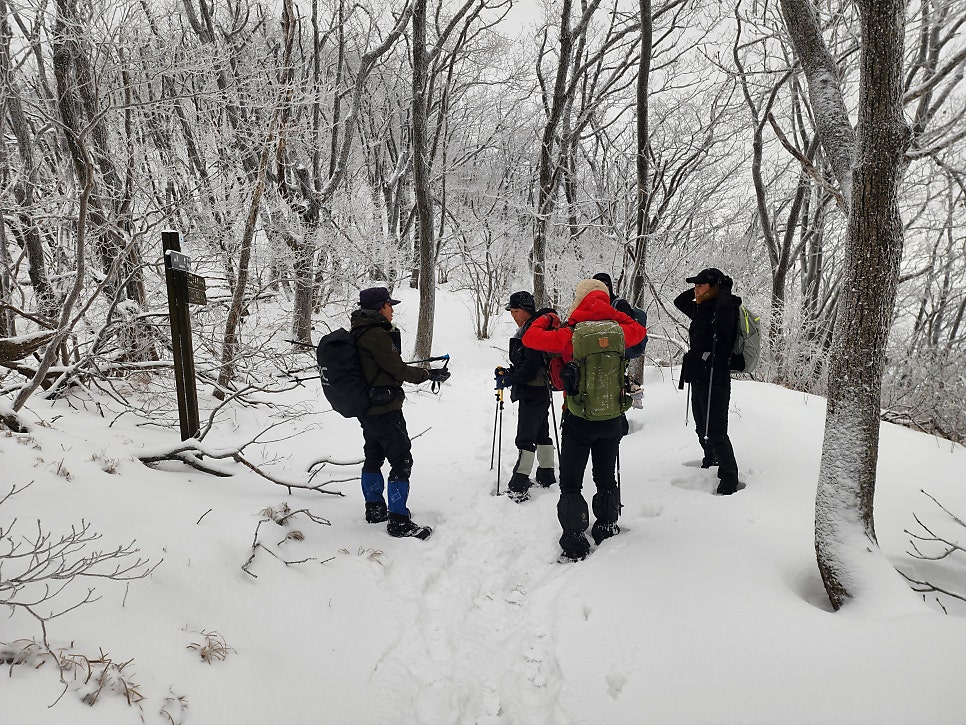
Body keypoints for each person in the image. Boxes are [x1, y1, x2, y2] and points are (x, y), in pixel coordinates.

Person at [523, 279, 646, 561]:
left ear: (579, 300)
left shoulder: (570, 333)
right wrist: (615, 314)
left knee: (571, 483)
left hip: (578, 418)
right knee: (605, 477)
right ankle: (606, 524)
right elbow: (639, 330)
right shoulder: (620, 332)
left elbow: (531, 338)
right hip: (612, 418)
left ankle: (575, 539)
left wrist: (547, 318)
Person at [351, 286, 450, 539]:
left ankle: (374, 509)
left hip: (368, 408)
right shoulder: (375, 334)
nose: (392, 310)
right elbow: (398, 369)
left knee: (373, 455)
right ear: (379, 308)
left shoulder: (359, 331)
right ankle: (398, 521)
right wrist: (428, 374)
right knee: (401, 460)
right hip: (385, 408)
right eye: (389, 305)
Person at [673, 268, 741, 495]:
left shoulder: (725, 308)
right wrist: (699, 288)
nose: (695, 290)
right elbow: (679, 300)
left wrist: (723, 288)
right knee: (701, 426)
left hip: (716, 376)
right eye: (695, 285)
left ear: (714, 288)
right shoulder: (701, 309)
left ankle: (729, 477)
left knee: (715, 430)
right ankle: (710, 460)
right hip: (699, 375)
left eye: (700, 285)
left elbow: (723, 315)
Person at [498, 291, 556, 503]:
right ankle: (547, 475)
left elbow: (530, 367)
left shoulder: (532, 332)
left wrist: (511, 378)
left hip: (532, 389)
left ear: (526, 310)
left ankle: (519, 484)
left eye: (515, 311)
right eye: (511, 311)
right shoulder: (532, 328)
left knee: (525, 437)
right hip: (540, 389)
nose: (513, 315)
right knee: (541, 432)